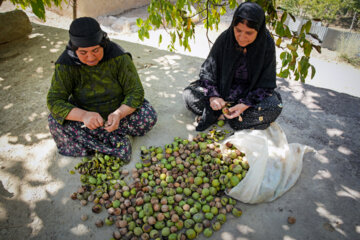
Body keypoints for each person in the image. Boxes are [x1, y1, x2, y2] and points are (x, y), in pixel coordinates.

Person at [47, 17, 157, 162]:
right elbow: (54, 101)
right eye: (83, 53)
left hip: (118, 111)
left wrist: (119, 114)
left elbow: (135, 92)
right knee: (55, 121)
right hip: (86, 116)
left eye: (96, 50)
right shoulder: (66, 64)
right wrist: (84, 116)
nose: (91, 57)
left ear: (103, 44)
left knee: (147, 116)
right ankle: (114, 141)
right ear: (74, 50)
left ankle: (101, 142)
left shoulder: (118, 57)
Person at [183, 2, 283, 131]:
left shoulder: (266, 44)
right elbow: (207, 72)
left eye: (249, 33)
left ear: (258, 30)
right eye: (238, 30)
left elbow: (266, 83)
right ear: (233, 26)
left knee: (274, 106)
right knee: (189, 94)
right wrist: (214, 96)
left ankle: (225, 115)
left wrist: (245, 104)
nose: (242, 37)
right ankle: (234, 117)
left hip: (248, 95)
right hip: (222, 93)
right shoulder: (226, 38)